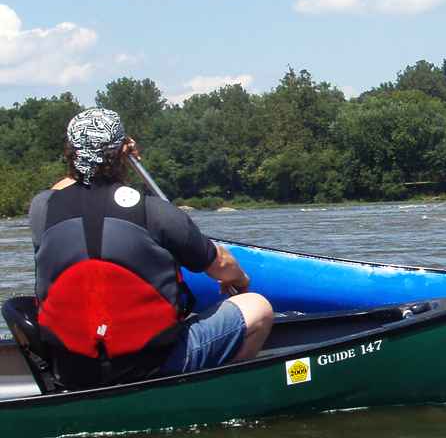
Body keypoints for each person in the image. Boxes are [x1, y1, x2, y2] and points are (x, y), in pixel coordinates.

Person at [28, 107, 273, 390]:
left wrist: (103, 155)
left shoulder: (42, 209)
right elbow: (221, 266)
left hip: (73, 369)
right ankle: (220, 390)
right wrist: (241, 281)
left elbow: (69, 188)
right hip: (151, 365)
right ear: (123, 152)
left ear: (71, 153)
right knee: (258, 306)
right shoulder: (157, 212)